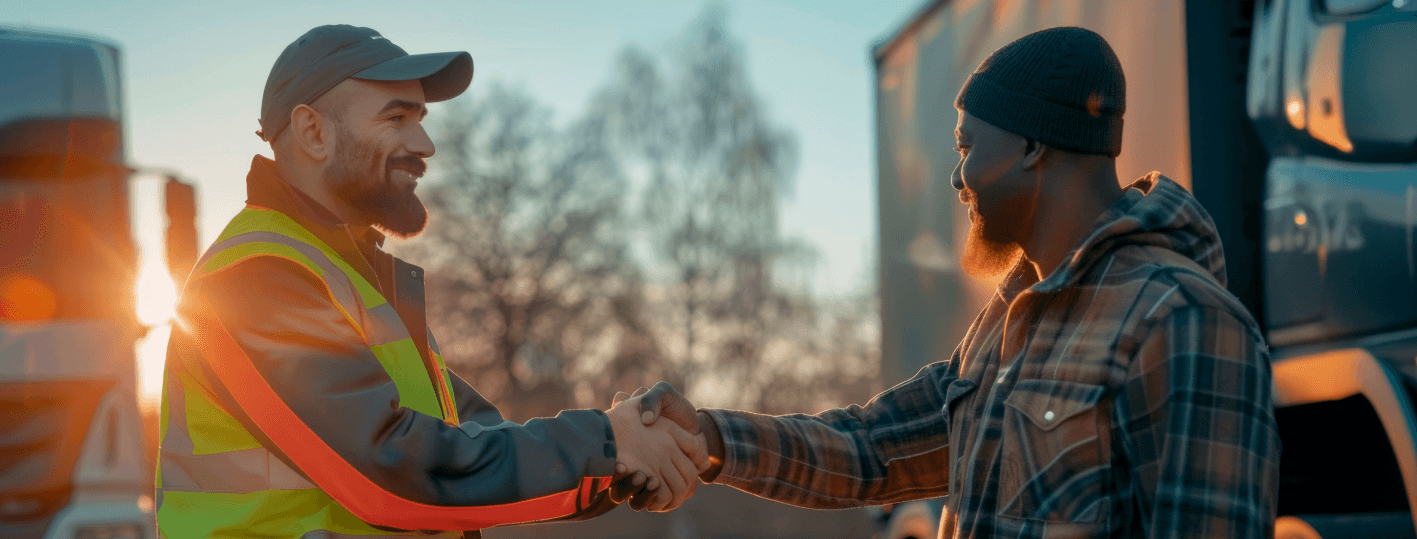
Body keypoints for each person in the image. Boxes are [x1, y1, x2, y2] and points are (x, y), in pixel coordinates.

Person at [622, 26, 1281, 538]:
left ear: (1030, 146)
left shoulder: (1183, 320)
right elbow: (868, 450)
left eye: (967, 146)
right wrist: (705, 438)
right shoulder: (1002, 326)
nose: (954, 176)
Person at [155, 25, 705, 539]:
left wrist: (624, 453)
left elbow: (474, 441)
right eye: (396, 118)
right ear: (312, 131)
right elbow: (389, 470)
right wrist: (609, 444)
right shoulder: (256, 279)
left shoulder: (349, 282)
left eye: (420, 118)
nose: (425, 144)